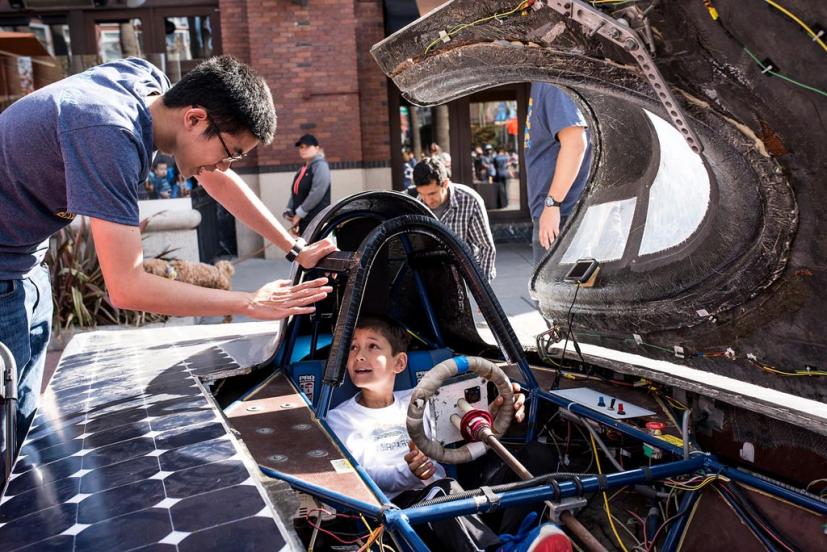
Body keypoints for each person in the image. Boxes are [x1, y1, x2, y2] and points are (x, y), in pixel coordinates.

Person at [0, 55, 337, 450]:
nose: (225, 165)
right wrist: (250, 301)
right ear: (194, 119)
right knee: (9, 435)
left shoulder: (150, 86)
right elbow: (126, 287)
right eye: (229, 152)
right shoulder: (107, 133)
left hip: (26, 263)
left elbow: (216, 178)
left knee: (21, 422)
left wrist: (295, 248)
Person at [327, 316, 568, 551]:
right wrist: (409, 472)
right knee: (443, 489)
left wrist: (493, 413)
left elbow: (462, 425)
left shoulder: (421, 397)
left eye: (372, 347)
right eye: (353, 347)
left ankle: (508, 542)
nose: (359, 355)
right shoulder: (341, 418)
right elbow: (363, 479)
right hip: (400, 515)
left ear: (399, 363)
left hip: (456, 509)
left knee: (538, 456)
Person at [524, 83, 591, 265]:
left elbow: (575, 144)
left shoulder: (551, 84)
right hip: (559, 213)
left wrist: (552, 204)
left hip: (563, 215)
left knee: (553, 291)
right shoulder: (544, 83)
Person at [412, 158, 497, 282]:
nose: (427, 200)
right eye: (422, 194)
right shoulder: (416, 204)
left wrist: (481, 289)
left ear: (445, 184)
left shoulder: (469, 201)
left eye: (432, 193)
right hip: (430, 277)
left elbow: (486, 248)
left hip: (464, 274)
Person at [283, 134, 331, 237]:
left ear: (317, 148)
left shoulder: (321, 166)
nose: (303, 150)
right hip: (304, 221)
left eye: (307, 146)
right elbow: (295, 192)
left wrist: (299, 214)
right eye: (301, 147)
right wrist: (290, 210)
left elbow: (317, 192)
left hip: (316, 221)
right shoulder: (303, 169)